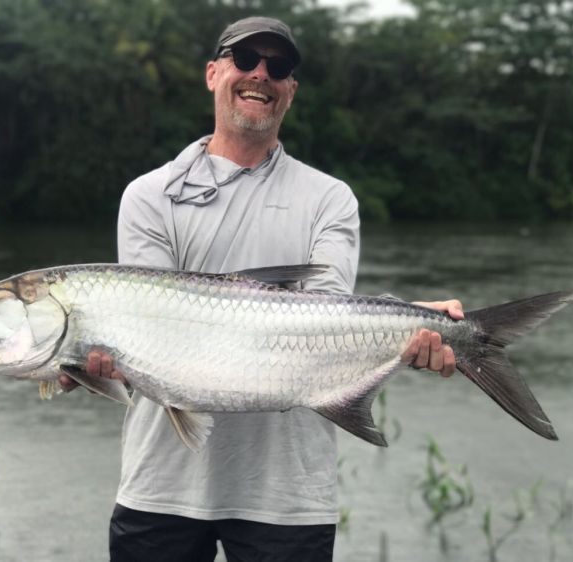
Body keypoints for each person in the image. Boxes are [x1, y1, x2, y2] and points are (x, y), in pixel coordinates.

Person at [60, 16, 463, 561]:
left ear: (291, 89)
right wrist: (85, 363)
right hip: (161, 485)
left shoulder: (330, 198)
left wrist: (404, 321)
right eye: (245, 59)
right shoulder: (150, 195)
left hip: (288, 494)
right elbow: (148, 333)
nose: (261, 75)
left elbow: (325, 317)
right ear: (212, 74)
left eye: (279, 66)